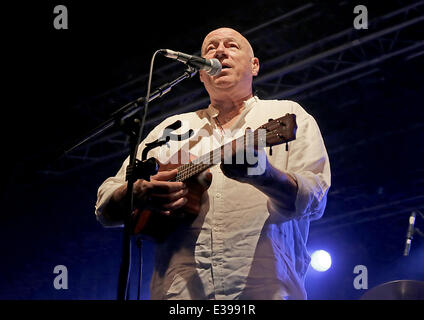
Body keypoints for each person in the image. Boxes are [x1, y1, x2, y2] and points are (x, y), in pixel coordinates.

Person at [95, 27, 331, 300]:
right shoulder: (171, 129)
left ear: (254, 66)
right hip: (179, 295)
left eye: (232, 46)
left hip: (265, 289)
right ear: (200, 71)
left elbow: (314, 201)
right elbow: (105, 207)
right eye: (210, 48)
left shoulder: (286, 115)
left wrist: (263, 175)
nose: (219, 51)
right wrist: (135, 192)